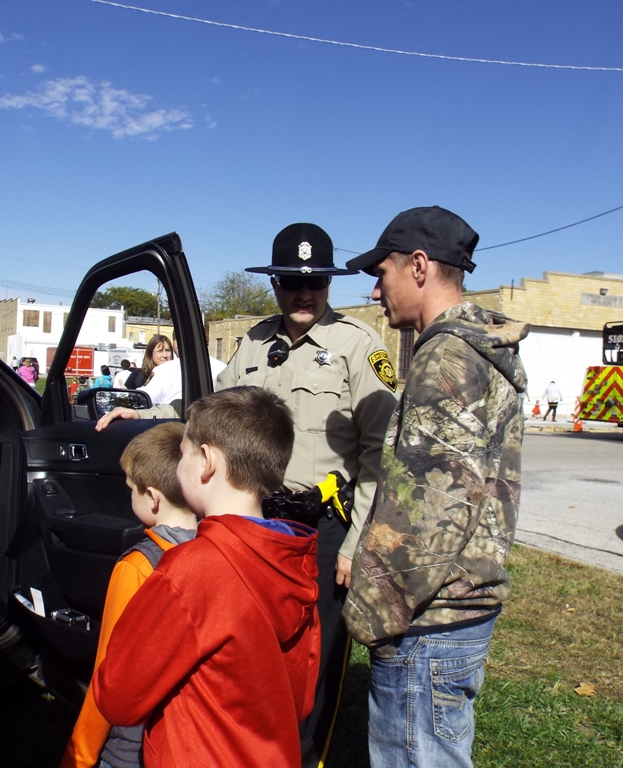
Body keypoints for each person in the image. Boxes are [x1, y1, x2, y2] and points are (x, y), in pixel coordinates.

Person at [96, 223, 398, 767]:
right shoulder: (256, 342)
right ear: (275, 284)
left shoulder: (359, 345)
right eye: (291, 282)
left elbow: (381, 451)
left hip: (323, 528)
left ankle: (305, 757)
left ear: (329, 284)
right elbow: (214, 407)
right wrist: (144, 414)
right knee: (253, 658)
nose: (303, 293)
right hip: (254, 523)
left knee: (314, 660)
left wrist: (358, 543)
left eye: (315, 282)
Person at [342, 206, 529, 768]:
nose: (375, 291)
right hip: (460, 611)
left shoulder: (446, 360)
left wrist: (369, 616)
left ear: (419, 266)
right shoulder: (477, 349)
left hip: (427, 624)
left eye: (382, 274)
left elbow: (426, 518)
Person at [93, 387, 320, 768]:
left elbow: (117, 697)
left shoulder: (191, 569)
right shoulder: (294, 558)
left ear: (206, 461)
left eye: (183, 453)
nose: (179, 465)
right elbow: (301, 696)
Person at [61, 423, 197, 768]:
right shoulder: (216, 551)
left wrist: (80, 755)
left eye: (130, 489)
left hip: (133, 748)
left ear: (152, 497)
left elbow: (108, 673)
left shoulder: (137, 568)